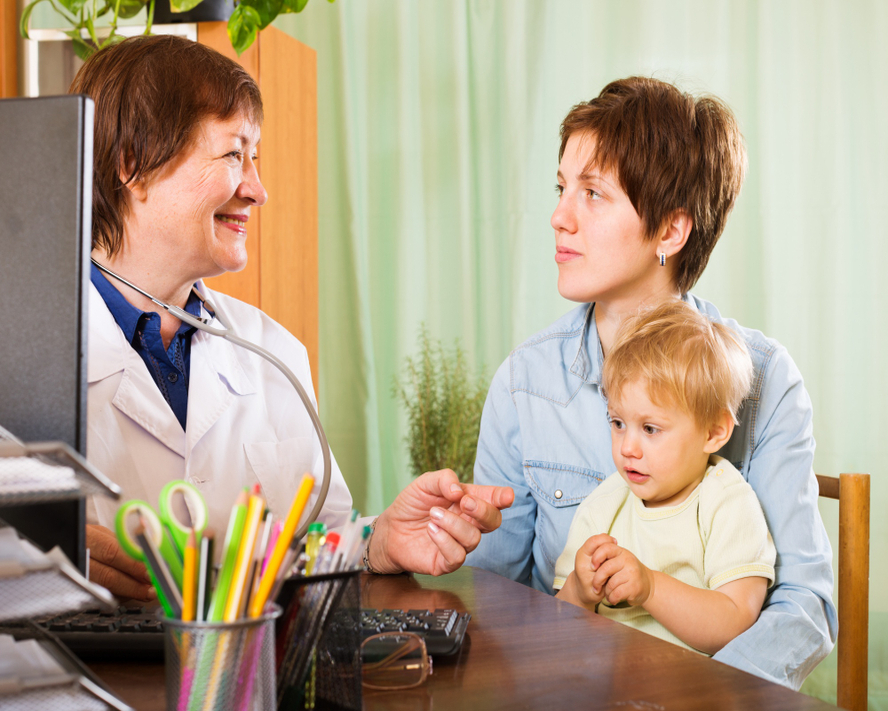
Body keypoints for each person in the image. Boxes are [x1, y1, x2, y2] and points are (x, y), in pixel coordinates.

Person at [72, 34, 513, 602]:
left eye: (255, 158)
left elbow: (309, 543)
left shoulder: (271, 350)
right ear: (132, 163)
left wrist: (377, 543)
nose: (258, 190)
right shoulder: (21, 354)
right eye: (235, 154)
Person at [466, 76, 836, 688]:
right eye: (561, 188)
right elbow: (492, 596)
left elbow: (801, 609)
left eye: (592, 193)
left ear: (670, 231)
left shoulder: (766, 381)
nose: (559, 217)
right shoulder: (523, 385)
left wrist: (688, 701)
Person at [553, 300, 776, 656]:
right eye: (618, 423)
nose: (628, 447)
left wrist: (651, 588)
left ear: (714, 432)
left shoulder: (726, 502)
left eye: (651, 428)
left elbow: (735, 621)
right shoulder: (605, 504)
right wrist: (579, 591)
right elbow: (559, 628)